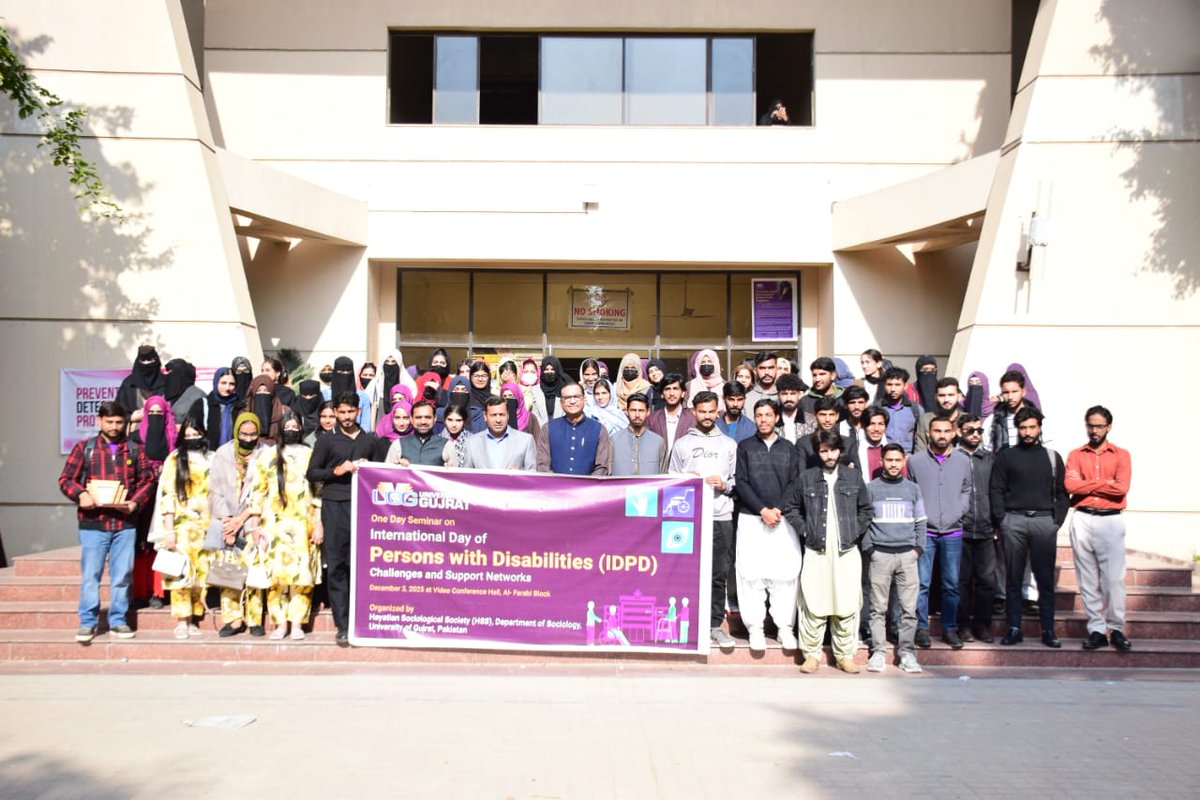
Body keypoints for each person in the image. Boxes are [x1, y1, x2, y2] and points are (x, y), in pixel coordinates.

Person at [58, 400, 155, 643]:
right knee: (91, 574)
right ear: (99, 421)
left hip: (125, 524)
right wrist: (81, 494)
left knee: (123, 574)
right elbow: (66, 479)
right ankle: (88, 622)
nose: (114, 426)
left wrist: (135, 502)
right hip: (94, 523)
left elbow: (148, 480)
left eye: (118, 422)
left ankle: (118, 621)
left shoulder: (134, 449)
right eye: (109, 421)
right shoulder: (85, 448)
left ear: (125, 423)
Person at [784, 430, 873, 674]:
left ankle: (844, 655)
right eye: (824, 450)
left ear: (840, 451)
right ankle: (811, 655)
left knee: (846, 601)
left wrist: (854, 531)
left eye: (833, 450)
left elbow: (866, 510)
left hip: (846, 549)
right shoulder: (807, 478)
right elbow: (791, 508)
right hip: (817, 548)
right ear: (818, 452)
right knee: (814, 600)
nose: (829, 455)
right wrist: (806, 531)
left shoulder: (853, 477)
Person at [989, 406, 1067, 648]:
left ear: (1039, 427)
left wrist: (1056, 522)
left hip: (1045, 521)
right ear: (1017, 429)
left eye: (1032, 427)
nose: (1028, 432)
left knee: (1044, 579)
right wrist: (1002, 520)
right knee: (1013, 579)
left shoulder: (1052, 457)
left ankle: (1048, 630)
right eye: (1023, 428)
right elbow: (996, 490)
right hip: (1014, 520)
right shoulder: (1006, 456)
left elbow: (1063, 494)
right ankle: (1014, 629)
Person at [307, 392, 378, 645]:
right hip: (335, 505)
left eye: (351, 412)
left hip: (363, 506)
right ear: (335, 412)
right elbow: (312, 473)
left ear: (359, 411)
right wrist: (336, 471)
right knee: (336, 564)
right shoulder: (327, 440)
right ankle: (343, 624)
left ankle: (362, 618)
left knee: (358, 563)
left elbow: (383, 473)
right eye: (342, 412)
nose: (347, 417)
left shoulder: (370, 440)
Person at [669, 391, 738, 649]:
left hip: (721, 516)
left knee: (718, 574)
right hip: (689, 518)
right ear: (693, 412)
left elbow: (737, 481)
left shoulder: (729, 444)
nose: (707, 416)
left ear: (717, 411)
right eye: (702, 411)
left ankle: (714, 625)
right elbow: (671, 480)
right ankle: (686, 623)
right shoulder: (682, 444)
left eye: (711, 411)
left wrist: (725, 484)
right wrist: (687, 478)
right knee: (685, 571)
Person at [733, 399, 801, 653]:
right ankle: (755, 628)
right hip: (752, 518)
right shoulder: (746, 447)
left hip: (782, 520)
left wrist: (777, 510)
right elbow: (741, 482)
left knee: (783, 574)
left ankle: (784, 628)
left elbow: (795, 482)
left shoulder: (789, 449)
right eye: (759, 415)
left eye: (768, 415)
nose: (763, 419)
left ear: (776, 418)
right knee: (752, 575)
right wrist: (762, 510)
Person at [1064, 405, 1133, 652]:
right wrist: (1105, 483)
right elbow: (1070, 484)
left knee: (1114, 579)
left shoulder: (1121, 455)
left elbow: (1121, 488)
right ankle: (1096, 629)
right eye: (1090, 425)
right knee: (1088, 578)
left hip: (1111, 519)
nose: (1094, 430)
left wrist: (1088, 485)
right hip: (1082, 518)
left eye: (1099, 426)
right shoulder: (1076, 454)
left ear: (1109, 427)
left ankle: (1115, 628)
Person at [251, 412, 322, 640]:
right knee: (276, 577)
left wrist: (319, 523)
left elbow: (318, 492)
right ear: (280, 430)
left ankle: (297, 624)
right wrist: (254, 526)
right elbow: (257, 492)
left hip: (304, 524)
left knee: (302, 577)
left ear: (301, 429)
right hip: (273, 525)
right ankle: (280, 624)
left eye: (295, 426)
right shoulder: (267, 456)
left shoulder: (311, 454)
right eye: (287, 426)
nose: (291, 430)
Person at [906, 416, 972, 649]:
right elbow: (911, 492)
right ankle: (921, 628)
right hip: (926, 531)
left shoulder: (963, 461)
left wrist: (959, 511)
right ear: (928, 433)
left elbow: (967, 489)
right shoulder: (915, 462)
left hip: (953, 531)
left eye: (946, 431)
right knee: (922, 583)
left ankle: (950, 628)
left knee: (951, 584)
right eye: (937, 431)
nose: (941, 435)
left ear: (954, 433)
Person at [862, 444, 928, 673]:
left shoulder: (913, 489)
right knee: (877, 608)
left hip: (907, 555)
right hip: (880, 555)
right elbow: (865, 522)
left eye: (897, 460)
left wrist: (918, 549)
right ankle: (878, 651)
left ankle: (907, 652)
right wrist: (871, 549)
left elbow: (921, 522)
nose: (893, 464)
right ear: (881, 461)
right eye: (889, 460)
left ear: (904, 461)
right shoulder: (871, 488)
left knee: (908, 608)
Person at [208, 411, 269, 637]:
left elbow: (265, 491)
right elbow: (214, 491)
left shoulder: (266, 454)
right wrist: (227, 521)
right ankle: (233, 619)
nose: (249, 439)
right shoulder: (223, 454)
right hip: (226, 522)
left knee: (253, 569)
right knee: (228, 571)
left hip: (253, 520)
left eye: (253, 434)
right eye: (244, 434)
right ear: (236, 432)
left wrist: (243, 521)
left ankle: (254, 619)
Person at [155, 417, 211, 639]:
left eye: (196, 434)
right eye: (187, 435)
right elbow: (168, 495)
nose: (192, 439)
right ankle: (181, 620)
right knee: (180, 573)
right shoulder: (174, 459)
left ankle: (194, 616)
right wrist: (168, 530)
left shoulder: (212, 458)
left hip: (205, 526)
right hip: (181, 526)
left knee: (201, 575)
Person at [956, 413, 997, 642]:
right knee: (960, 580)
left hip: (985, 527)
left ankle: (982, 625)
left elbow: (997, 491)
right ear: (959, 430)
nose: (975, 434)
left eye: (979, 431)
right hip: (959, 529)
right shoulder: (953, 457)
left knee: (986, 580)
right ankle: (963, 626)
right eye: (970, 430)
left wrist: (996, 522)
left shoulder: (989, 459)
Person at [536, 383, 612, 475]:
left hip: (589, 488)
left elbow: (602, 467)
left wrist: (585, 487)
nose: (572, 401)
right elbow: (542, 465)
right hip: (555, 487)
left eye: (576, 397)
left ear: (584, 399)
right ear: (561, 402)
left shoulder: (599, 429)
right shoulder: (548, 428)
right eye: (567, 398)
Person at [464, 397, 537, 471]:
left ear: (508, 415)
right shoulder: (471, 443)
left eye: (502, 415)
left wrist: (519, 475)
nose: (498, 420)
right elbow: (466, 476)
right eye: (493, 415)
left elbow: (533, 475)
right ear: (485, 416)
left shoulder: (525, 441)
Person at [610, 393, 665, 476]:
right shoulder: (614, 440)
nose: (637, 415)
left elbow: (663, 477)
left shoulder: (658, 442)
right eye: (633, 410)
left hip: (649, 488)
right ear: (627, 411)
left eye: (641, 410)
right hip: (621, 488)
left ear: (648, 412)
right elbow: (608, 475)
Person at [796, 396, 857, 470]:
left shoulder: (849, 443)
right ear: (815, 415)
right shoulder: (803, 443)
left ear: (837, 416)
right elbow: (801, 474)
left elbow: (857, 475)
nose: (827, 419)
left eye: (831, 415)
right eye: (823, 415)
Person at [987, 369, 1041, 453]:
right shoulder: (994, 419)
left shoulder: (1036, 417)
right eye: (1006, 392)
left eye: (1014, 391)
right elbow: (987, 450)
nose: (1010, 397)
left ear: (1023, 392)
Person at [115, 345, 165, 425]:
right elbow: (117, 413)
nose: (147, 364)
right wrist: (131, 417)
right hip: (135, 434)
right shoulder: (129, 384)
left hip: (163, 432)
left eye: (150, 361)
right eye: (143, 361)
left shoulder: (166, 383)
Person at [647, 373, 696, 453]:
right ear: (662, 394)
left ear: (683, 393)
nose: (672, 393)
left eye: (675, 388)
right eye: (667, 389)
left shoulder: (692, 420)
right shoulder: (652, 420)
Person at [914, 377, 964, 452]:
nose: (946, 400)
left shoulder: (967, 419)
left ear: (959, 396)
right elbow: (920, 450)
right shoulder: (926, 420)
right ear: (935, 397)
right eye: (942, 395)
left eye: (951, 395)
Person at [390, 400, 447, 466]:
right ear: (411, 419)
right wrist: (398, 468)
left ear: (435, 419)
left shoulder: (446, 446)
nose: (423, 422)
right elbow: (386, 474)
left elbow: (455, 474)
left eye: (427, 417)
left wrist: (447, 471)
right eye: (418, 417)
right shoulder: (398, 445)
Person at [201, 367, 244, 451]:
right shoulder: (203, 404)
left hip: (233, 457)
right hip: (209, 457)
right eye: (223, 383)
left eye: (231, 384)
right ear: (216, 382)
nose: (227, 388)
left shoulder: (240, 406)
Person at [322, 356, 372, 428]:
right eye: (341, 371)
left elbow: (365, 425)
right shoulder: (325, 395)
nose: (345, 374)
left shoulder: (362, 396)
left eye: (348, 371)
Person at [881, 366, 921, 453]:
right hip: (884, 457)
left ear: (905, 386)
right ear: (884, 385)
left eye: (897, 385)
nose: (893, 389)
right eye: (889, 384)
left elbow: (921, 437)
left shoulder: (915, 409)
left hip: (908, 457)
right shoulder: (878, 408)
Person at [163, 358, 206, 425]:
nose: (167, 375)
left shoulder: (198, 396)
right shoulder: (164, 393)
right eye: (167, 372)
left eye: (170, 372)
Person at [528, 355, 567, 426]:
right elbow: (534, 413)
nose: (549, 372)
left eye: (552, 369)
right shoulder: (534, 390)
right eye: (546, 369)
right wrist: (545, 429)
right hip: (540, 431)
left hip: (561, 429)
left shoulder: (564, 390)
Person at [246, 374, 284, 444]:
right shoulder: (246, 413)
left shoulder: (283, 411)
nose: (262, 393)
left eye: (266, 390)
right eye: (259, 390)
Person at [774, 373, 811, 444]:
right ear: (778, 395)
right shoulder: (771, 420)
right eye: (784, 394)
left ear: (800, 395)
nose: (788, 398)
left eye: (792, 393)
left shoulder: (811, 421)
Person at [466, 360, 495, 433]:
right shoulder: (466, 398)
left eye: (484, 376)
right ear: (470, 377)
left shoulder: (494, 400)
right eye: (476, 376)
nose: (480, 379)